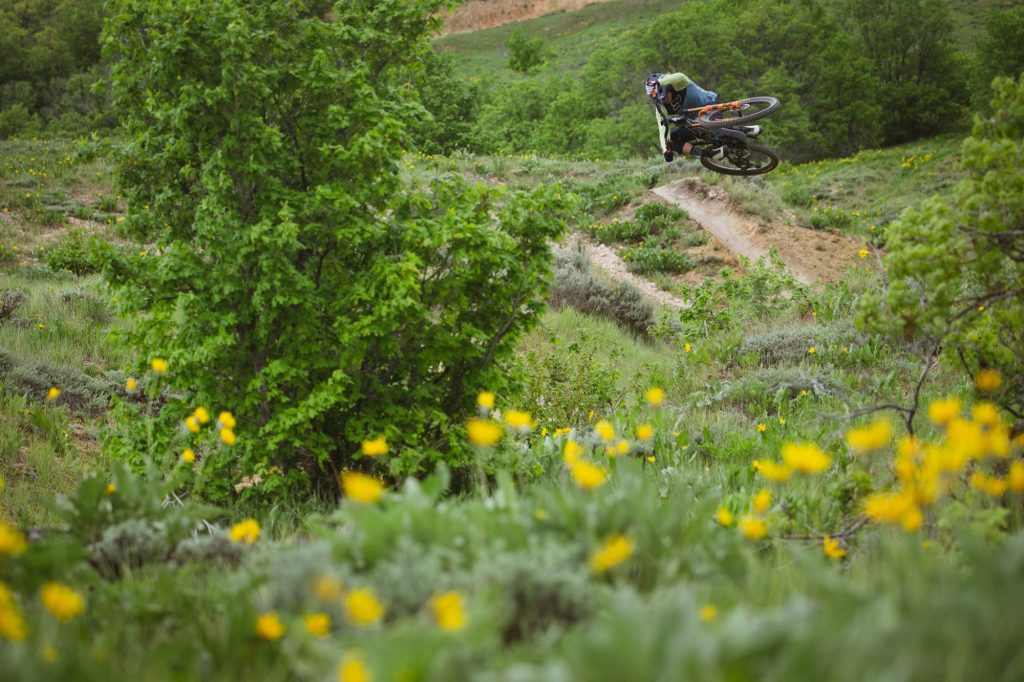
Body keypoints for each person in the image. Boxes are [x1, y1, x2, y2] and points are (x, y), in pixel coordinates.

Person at [645, 72, 725, 162]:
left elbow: (680, 76)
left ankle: (729, 134)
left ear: (668, 88)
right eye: (660, 100)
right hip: (694, 122)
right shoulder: (661, 108)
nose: (664, 101)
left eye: (665, 97)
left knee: (707, 123)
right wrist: (665, 149)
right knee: (672, 139)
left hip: (709, 105)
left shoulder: (680, 84)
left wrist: (660, 82)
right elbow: (662, 129)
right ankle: (710, 153)